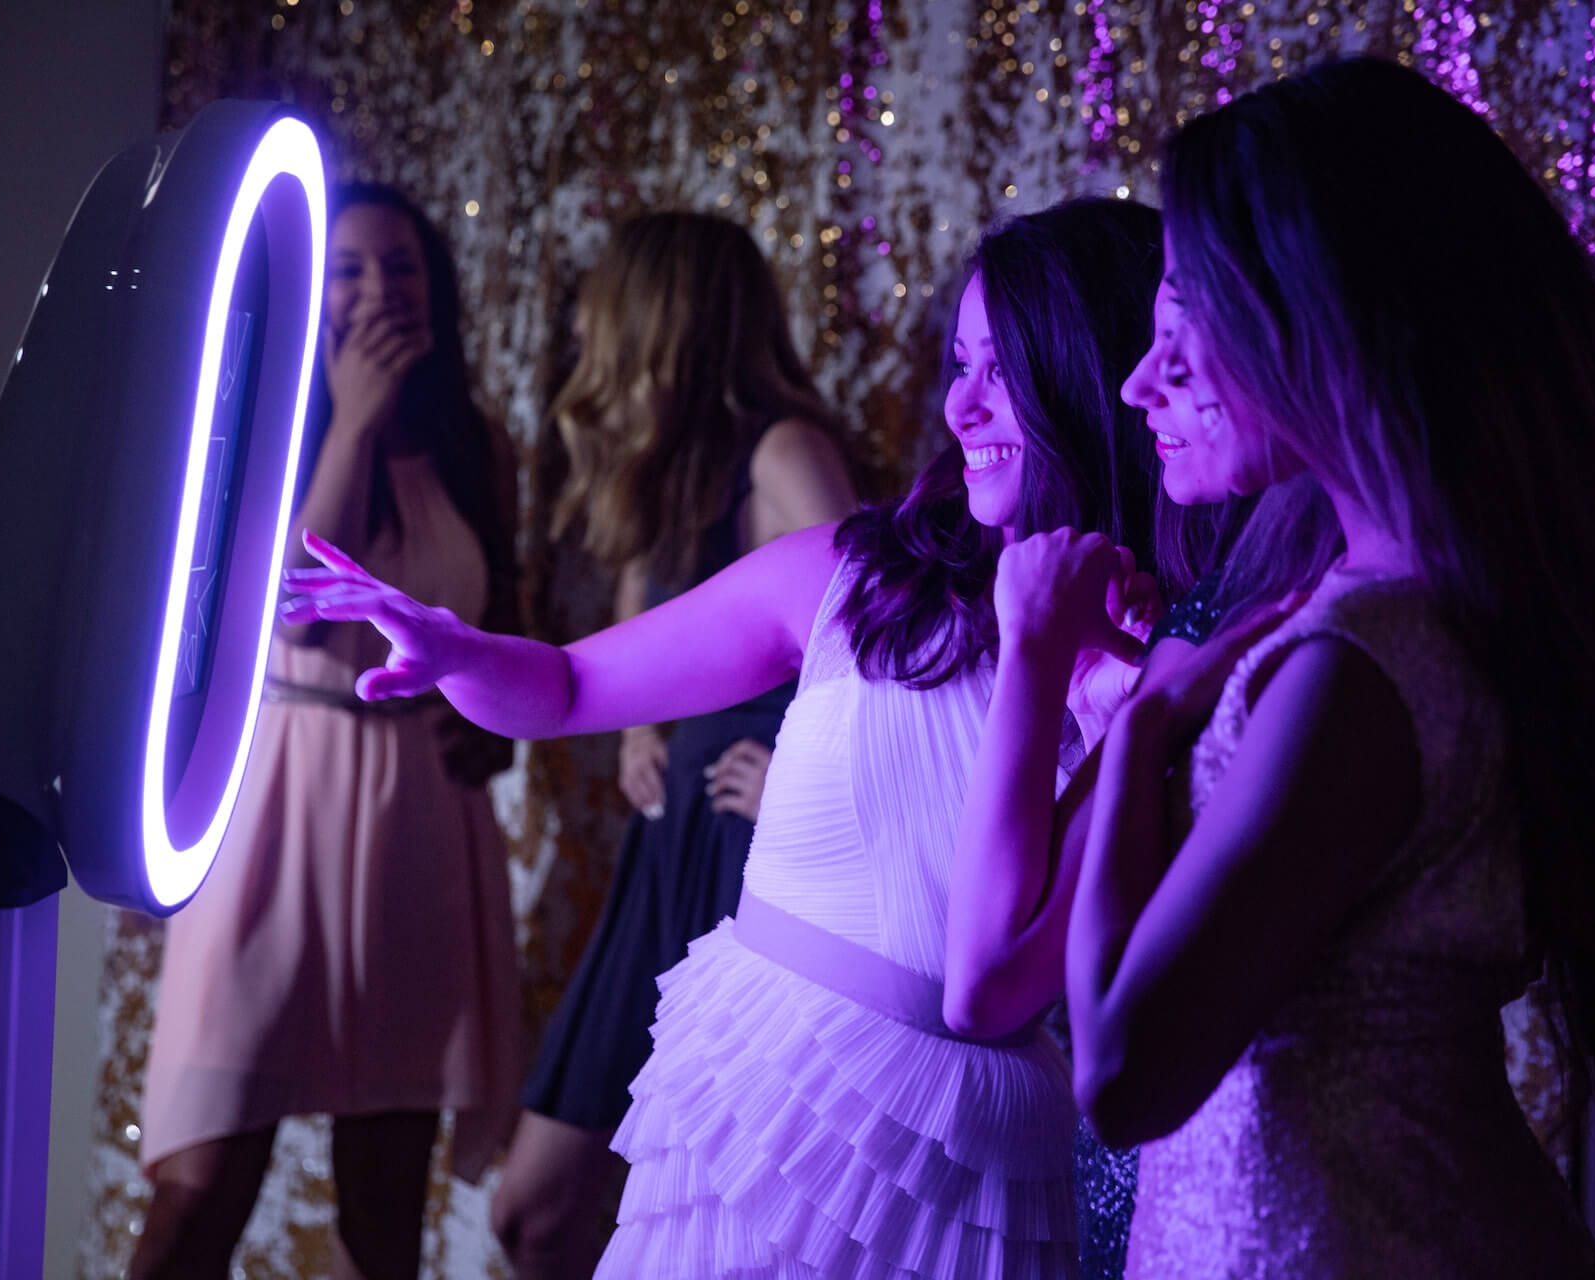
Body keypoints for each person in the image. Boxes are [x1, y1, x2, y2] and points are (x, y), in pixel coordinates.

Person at [281, 196, 1168, 1278]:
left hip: (965, 1151)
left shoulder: (1146, 658)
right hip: (771, 1083)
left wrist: (1066, 664)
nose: (963, 404)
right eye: (961, 362)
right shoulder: (850, 573)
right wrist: (460, 650)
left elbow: (1016, 981)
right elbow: (565, 684)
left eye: (1003, 370)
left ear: (1087, 374)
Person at [988, 57, 1595, 1275]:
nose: (1134, 382)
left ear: (1313, 321)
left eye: (1176, 333)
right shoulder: (1367, 604)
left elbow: (1119, 1069)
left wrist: (1146, 727)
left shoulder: (1367, 664)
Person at [133, 183, 524, 1280]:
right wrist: (350, 420)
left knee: (384, 1205)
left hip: (417, 818)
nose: (378, 290)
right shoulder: (254, 436)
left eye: (401, 266)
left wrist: (480, 725)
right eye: (348, 268)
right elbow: (302, 599)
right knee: (197, 1192)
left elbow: (502, 621)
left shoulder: (476, 448)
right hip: (276, 800)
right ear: (311, 293)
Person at [485, 211, 861, 1279]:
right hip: (667, 862)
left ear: (655, 319)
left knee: (700, 1221)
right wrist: (648, 729)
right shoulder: (666, 473)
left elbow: (877, 647)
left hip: (747, 869)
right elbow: (660, 647)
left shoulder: (784, 452)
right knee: (537, 1214)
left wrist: (798, 778)